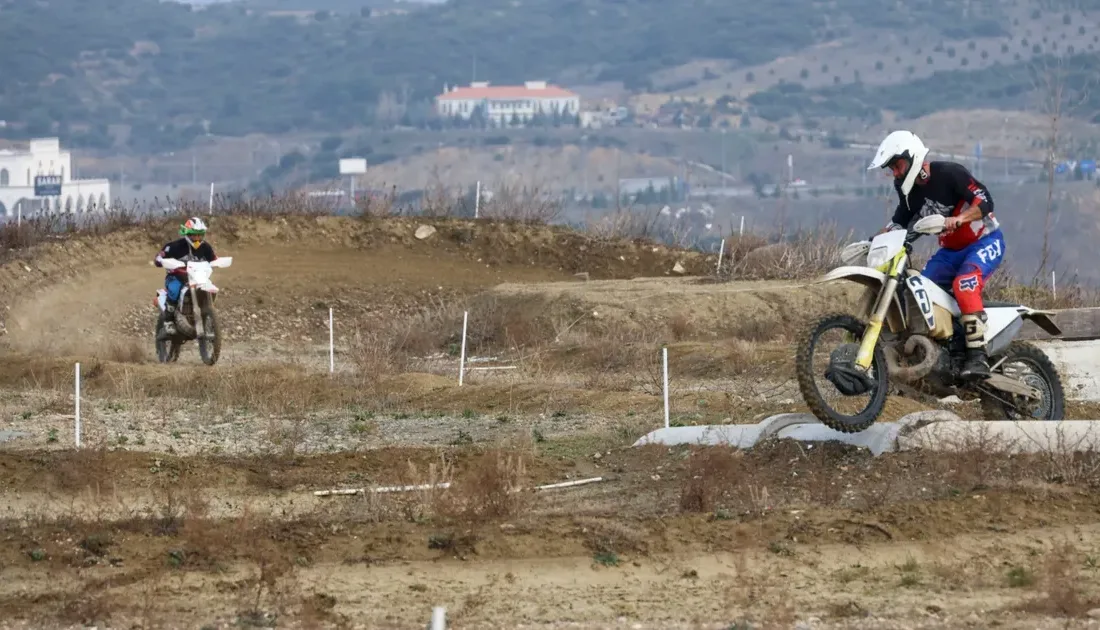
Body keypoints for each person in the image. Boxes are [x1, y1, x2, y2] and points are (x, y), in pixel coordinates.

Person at [867, 130, 1005, 380]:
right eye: (892, 169)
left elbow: (985, 201)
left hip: (984, 241)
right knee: (921, 294)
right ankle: (951, 348)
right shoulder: (905, 189)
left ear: (913, 158)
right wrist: (874, 240)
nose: (896, 173)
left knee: (964, 285)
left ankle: (978, 356)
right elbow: (901, 220)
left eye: (897, 166)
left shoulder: (949, 173)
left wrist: (959, 218)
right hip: (950, 251)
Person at [154, 216, 217, 337]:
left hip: (198, 278)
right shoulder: (175, 246)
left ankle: (208, 314)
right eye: (194, 235)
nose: (197, 238)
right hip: (176, 277)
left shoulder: (206, 248)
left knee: (209, 288)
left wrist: (218, 263)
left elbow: (214, 259)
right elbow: (159, 257)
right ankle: (168, 320)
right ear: (187, 234)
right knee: (175, 289)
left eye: (200, 235)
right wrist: (161, 261)